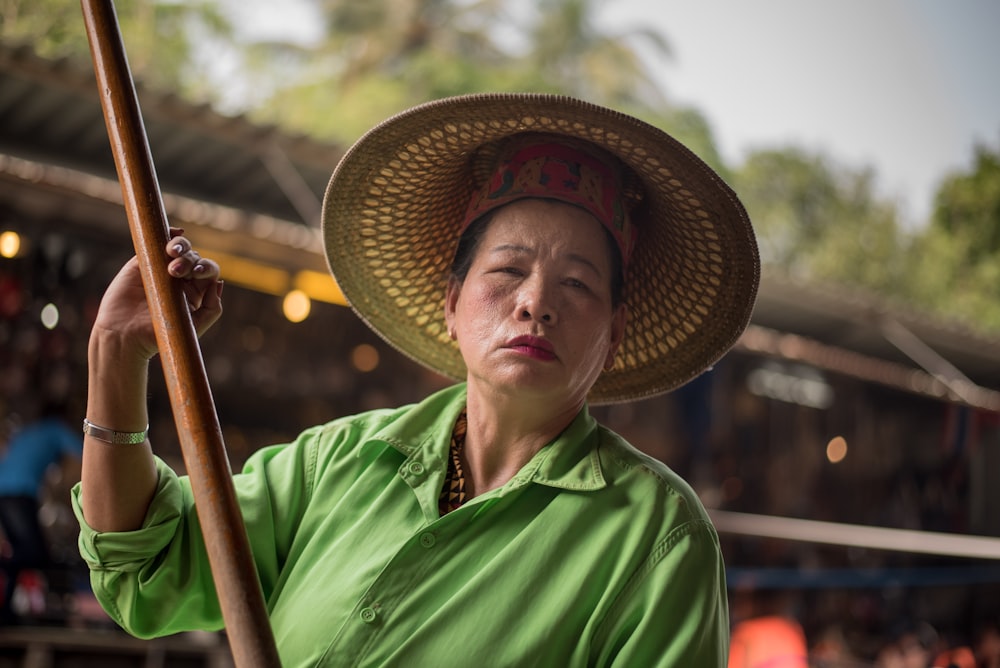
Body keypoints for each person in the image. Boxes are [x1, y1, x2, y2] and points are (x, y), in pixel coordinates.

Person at [73, 93, 759, 666]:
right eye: (507, 270)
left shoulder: (657, 540)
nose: (536, 302)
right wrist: (115, 354)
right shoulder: (335, 464)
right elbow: (147, 570)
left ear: (614, 332)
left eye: (577, 283)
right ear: (451, 303)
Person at [0, 399, 82, 623]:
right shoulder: (55, 429)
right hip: (19, 494)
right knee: (35, 554)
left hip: (4, 493)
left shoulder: (27, 432)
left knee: (22, 553)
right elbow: (87, 451)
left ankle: (6, 611)